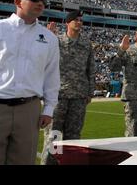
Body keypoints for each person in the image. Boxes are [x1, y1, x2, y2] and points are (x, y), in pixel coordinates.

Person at [0, 0, 60, 165]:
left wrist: (48, 109)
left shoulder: (49, 38)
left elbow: (51, 76)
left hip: (29, 108)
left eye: (43, 1)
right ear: (18, 1)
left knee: (24, 160)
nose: (40, 4)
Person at [41, 10, 96, 165]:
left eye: (81, 20)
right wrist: (47, 38)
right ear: (67, 23)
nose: (79, 22)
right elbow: (43, 62)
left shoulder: (86, 44)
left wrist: (89, 92)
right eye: (75, 20)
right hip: (58, 96)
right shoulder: (56, 41)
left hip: (79, 96)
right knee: (54, 136)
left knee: (74, 137)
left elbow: (91, 69)